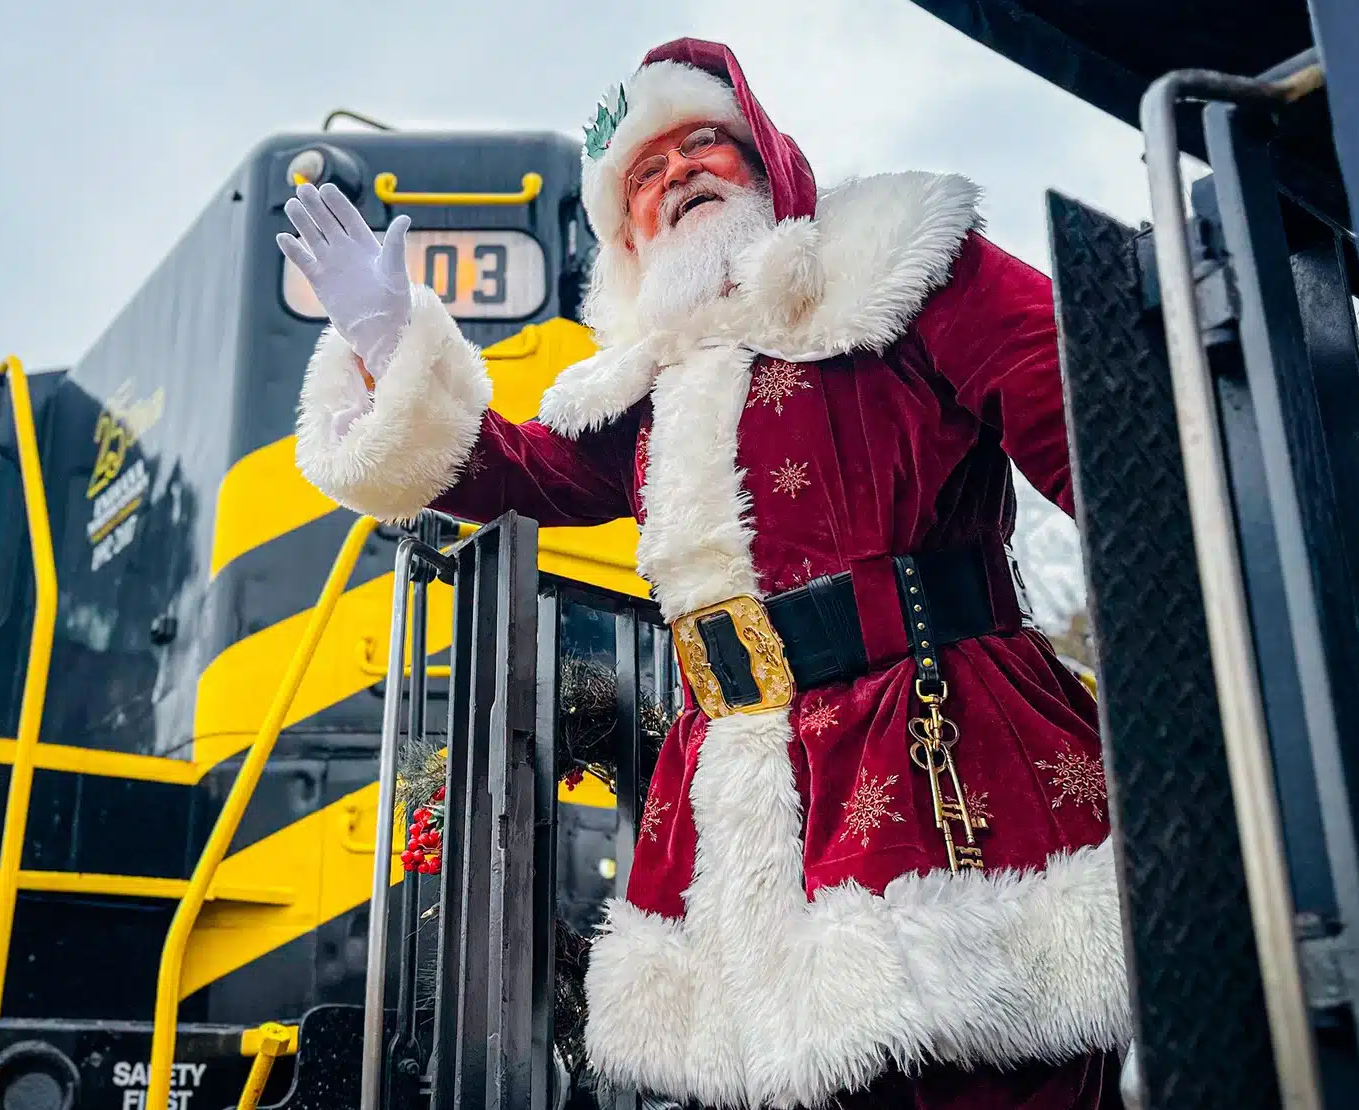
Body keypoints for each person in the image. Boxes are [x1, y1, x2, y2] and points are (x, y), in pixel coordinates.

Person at [279, 37, 1131, 1110]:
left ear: (766, 163)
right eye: (644, 174)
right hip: (742, 793)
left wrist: (1194, 623)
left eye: (703, 147)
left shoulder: (901, 266)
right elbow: (512, 471)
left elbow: (1099, 432)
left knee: (991, 1068)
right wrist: (384, 335)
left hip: (934, 746)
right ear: (628, 233)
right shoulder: (646, 388)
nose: (676, 175)